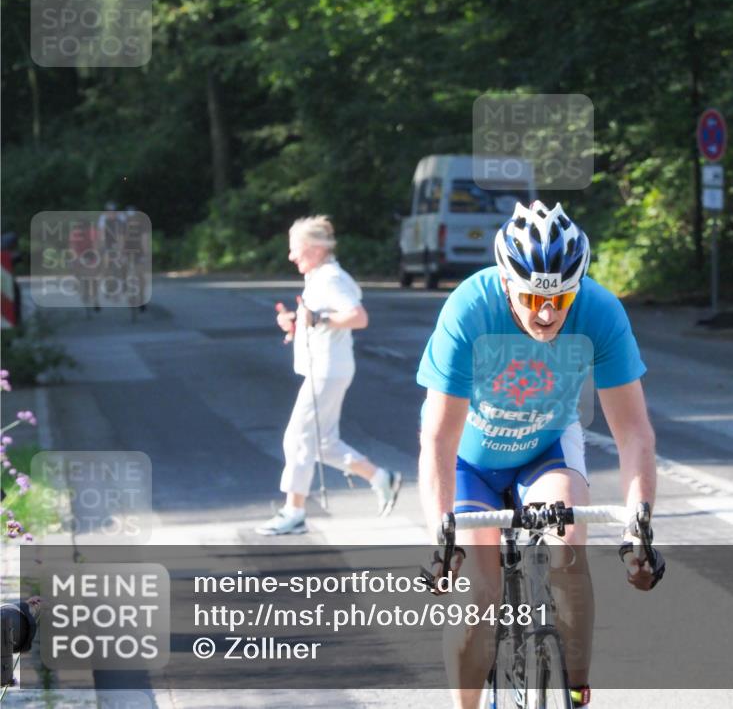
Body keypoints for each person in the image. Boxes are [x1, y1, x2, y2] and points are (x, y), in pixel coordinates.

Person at [417, 200, 664, 709]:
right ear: (507, 281)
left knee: (568, 548)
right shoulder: (469, 308)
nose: (547, 313)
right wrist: (441, 535)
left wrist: (638, 527)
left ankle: (575, 689)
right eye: (532, 298)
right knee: (480, 596)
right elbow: (438, 440)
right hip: (470, 463)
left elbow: (634, 433)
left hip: (543, 446)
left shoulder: (599, 311)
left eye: (561, 297)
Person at [256, 216, 402, 535]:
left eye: (296, 249)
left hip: (327, 370)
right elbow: (324, 317)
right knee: (322, 442)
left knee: (297, 437)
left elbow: (358, 317)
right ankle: (381, 478)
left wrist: (318, 318)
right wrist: (298, 321)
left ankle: (293, 511)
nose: (291, 256)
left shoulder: (330, 278)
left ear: (315, 248)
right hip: (326, 368)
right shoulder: (320, 277)